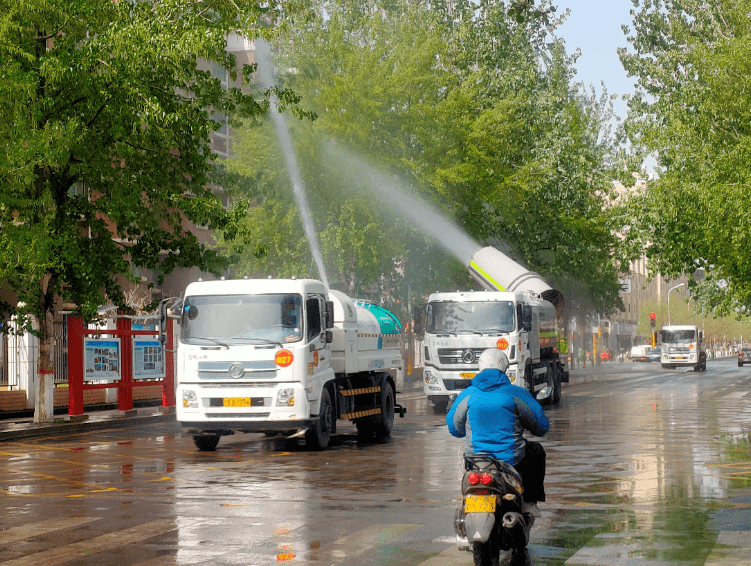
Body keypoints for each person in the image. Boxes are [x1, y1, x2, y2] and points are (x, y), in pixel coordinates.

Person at [446, 349, 549, 516]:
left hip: (475, 460)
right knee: (536, 451)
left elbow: (454, 429)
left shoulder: (468, 394)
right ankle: (529, 503)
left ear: (480, 368)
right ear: (505, 369)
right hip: (511, 460)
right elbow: (541, 426)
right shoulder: (515, 394)